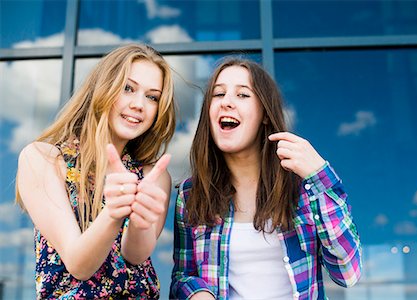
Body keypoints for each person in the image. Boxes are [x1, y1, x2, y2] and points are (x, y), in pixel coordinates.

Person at [170, 57, 362, 300]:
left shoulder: (304, 187)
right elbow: (181, 276)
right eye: (218, 94)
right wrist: (197, 293)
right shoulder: (191, 194)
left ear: (265, 115)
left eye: (242, 95)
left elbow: (348, 273)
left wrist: (320, 177)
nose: (227, 102)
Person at [16, 43, 176, 299]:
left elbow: (135, 255)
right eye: (128, 88)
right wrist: (113, 213)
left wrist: (141, 221)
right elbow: (79, 264)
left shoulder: (152, 175)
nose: (139, 104)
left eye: (152, 96)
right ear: (103, 88)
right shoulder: (42, 159)